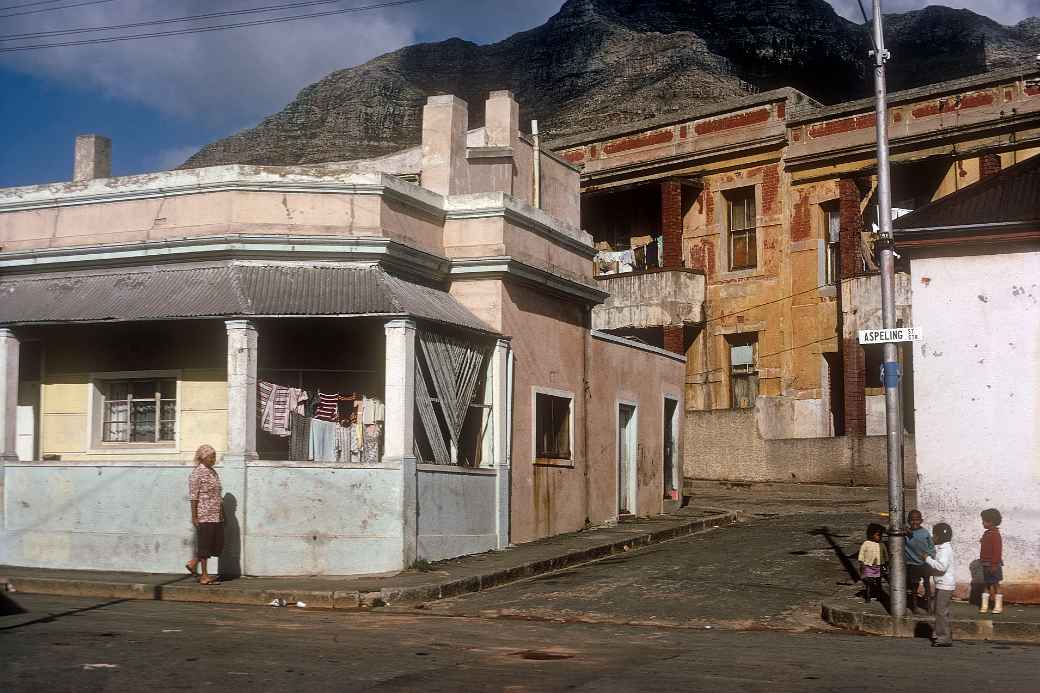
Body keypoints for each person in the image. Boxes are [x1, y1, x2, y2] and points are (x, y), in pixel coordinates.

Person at [186, 444, 223, 585]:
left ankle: (193, 562)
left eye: (214, 456)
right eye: (210, 457)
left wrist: (221, 513)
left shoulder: (213, 472)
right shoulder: (196, 474)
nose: (213, 459)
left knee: (215, 544)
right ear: (202, 457)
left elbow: (218, 494)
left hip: (216, 514)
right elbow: (193, 497)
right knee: (204, 545)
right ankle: (204, 576)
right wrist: (194, 516)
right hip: (204, 514)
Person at [924, 522, 955, 647]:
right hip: (942, 584)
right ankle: (940, 633)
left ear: (940, 537)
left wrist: (927, 559)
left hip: (945, 585)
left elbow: (942, 567)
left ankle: (944, 638)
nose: (933, 537)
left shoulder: (945, 550)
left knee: (941, 611)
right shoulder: (943, 548)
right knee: (939, 611)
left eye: (934, 535)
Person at [904, 509, 936, 613]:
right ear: (908, 521)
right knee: (914, 587)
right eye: (912, 520)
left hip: (925, 563)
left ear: (921, 521)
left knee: (927, 584)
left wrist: (930, 557)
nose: (914, 522)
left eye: (917, 520)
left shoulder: (925, 533)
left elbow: (931, 547)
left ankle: (929, 607)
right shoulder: (906, 534)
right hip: (912, 564)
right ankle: (914, 607)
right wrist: (904, 529)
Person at [979, 508, 1003, 614]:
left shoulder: (995, 534)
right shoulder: (987, 533)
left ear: (991, 522)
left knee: (996, 584)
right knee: (987, 584)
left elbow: (997, 550)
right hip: (985, 563)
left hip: (993, 564)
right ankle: (984, 606)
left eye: (984, 520)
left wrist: (994, 564)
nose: (982, 522)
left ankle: (998, 606)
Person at [858, 523, 888, 603]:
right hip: (868, 566)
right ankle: (868, 596)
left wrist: (886, 562)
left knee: (878, 582)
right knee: (869, 582)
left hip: (878, 566)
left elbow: (885, 554)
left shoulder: (882, 544)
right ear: (871, 535)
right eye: (878, 535)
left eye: (881, 535)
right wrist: (862, 562)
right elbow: (861, 553)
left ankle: (879, 596)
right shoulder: (866, 544)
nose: (880, 537)